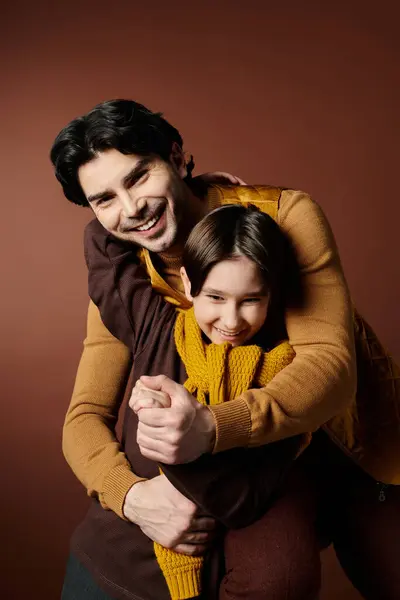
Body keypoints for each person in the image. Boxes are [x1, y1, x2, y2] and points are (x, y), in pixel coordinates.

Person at [50, 99, 399, 599]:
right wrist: (132, 496)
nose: (131, 209)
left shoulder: (282, 215)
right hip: (260, 470)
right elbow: (83, 415)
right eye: (104, 199)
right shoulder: (129, 273)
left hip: (354, 441)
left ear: (175, 156)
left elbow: (329, 365)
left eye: (139, 177)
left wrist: (212, 427)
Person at [81, 202, 315, 599]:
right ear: (189, 285)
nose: (232, 320)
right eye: (216, 297)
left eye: (251, 300)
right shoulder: (154, 323)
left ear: (273, 293)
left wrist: (186, 437)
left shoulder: (287, 381)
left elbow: (249, 498)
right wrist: (192, 191)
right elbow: (102, 243)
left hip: (203, 579)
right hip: (108, 568)